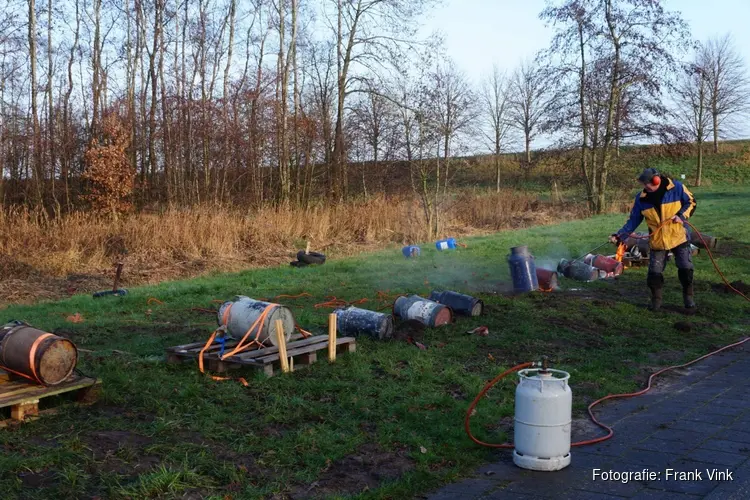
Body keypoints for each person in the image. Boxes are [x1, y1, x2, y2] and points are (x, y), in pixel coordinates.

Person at [610, 168, 697, 311]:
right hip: (657, 240)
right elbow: (633, 220)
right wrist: (619, 235)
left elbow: (691, 202)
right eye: (643, 184)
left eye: (646, 184)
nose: (645, 187)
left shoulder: (677, 188)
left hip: (678, 236)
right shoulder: (641, 198)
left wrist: (681, 216)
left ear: (656, 180)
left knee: (685, 269)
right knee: (654, 274)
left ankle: (689, 298)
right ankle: (656, 302)